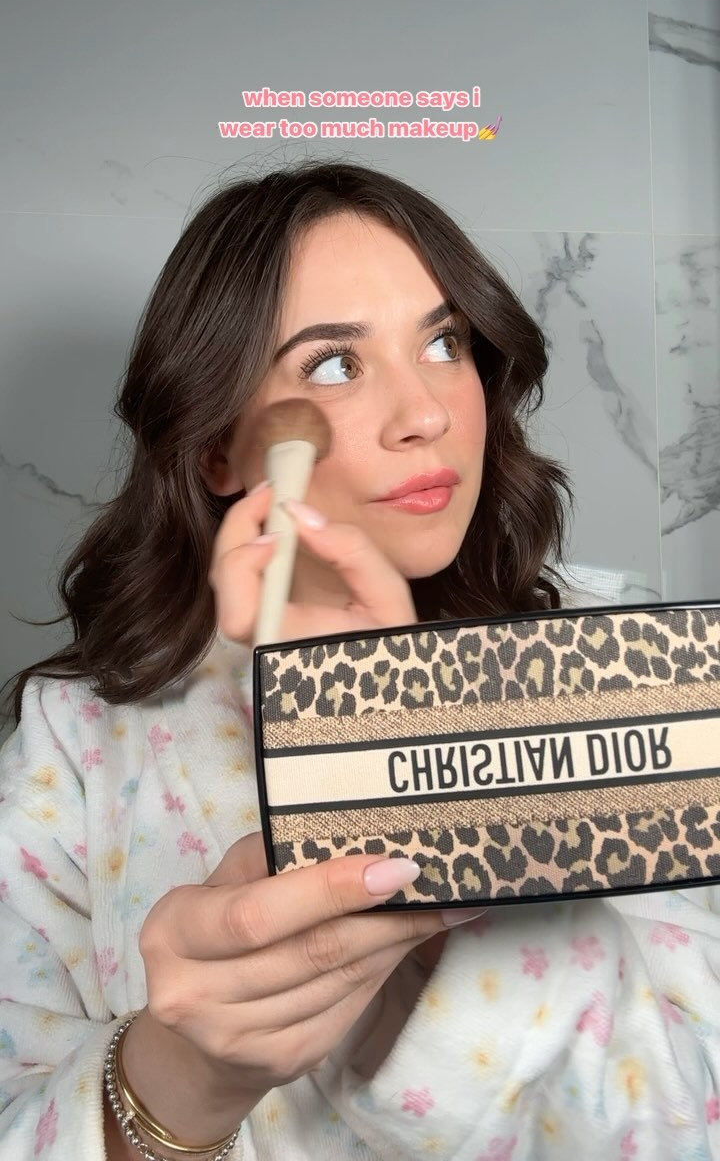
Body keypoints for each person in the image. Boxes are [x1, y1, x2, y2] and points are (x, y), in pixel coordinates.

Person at [0, 160, 717, 1161]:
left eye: (444, 342)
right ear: (218, 448)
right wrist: (177, 1083)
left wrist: (396, 739)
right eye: (334, 363)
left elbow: (689, 1114)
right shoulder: (78, 738)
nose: (426, 413)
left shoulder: (620, 665)